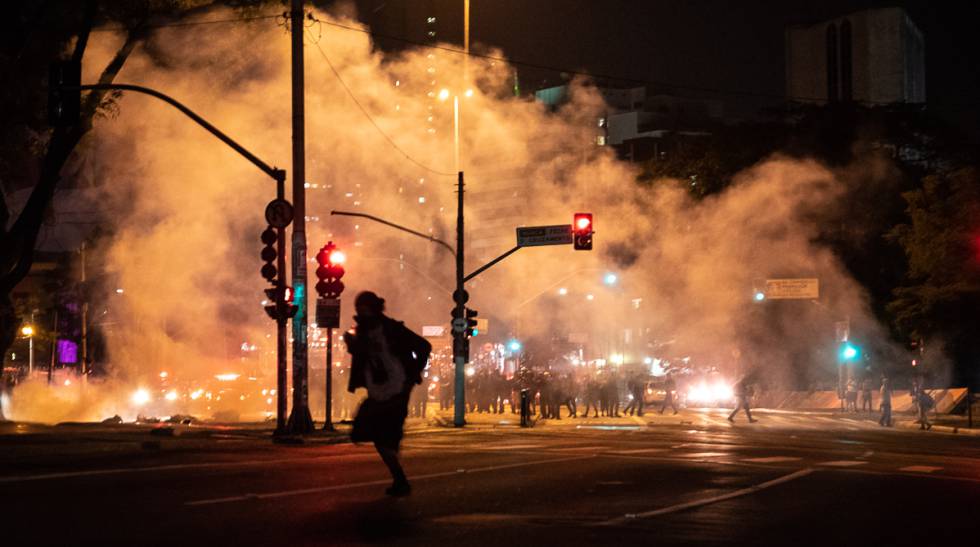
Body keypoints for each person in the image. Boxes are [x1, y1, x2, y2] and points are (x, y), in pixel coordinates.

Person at [344, 291, 432, 497]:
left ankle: (400, 480)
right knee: (371, 433)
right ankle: (399, 477)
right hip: (377, 391)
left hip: (397, 388)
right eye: (359, 310)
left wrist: (413, 373)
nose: (362, 313)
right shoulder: (362, 333)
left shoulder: (392, 329)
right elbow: (363, 357)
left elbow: (424, 346)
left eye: (366, 309)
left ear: (375, 309)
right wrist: (352, 346)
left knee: (385, 437)